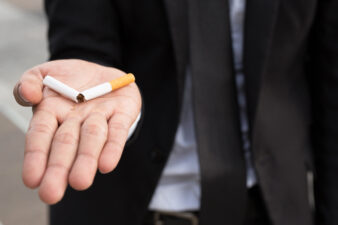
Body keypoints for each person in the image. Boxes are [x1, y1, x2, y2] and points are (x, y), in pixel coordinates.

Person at [12, 0, 338, 224]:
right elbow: (83, 40)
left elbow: (329, 77)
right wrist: (93, 82)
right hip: (124, 204)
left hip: (274, 205)